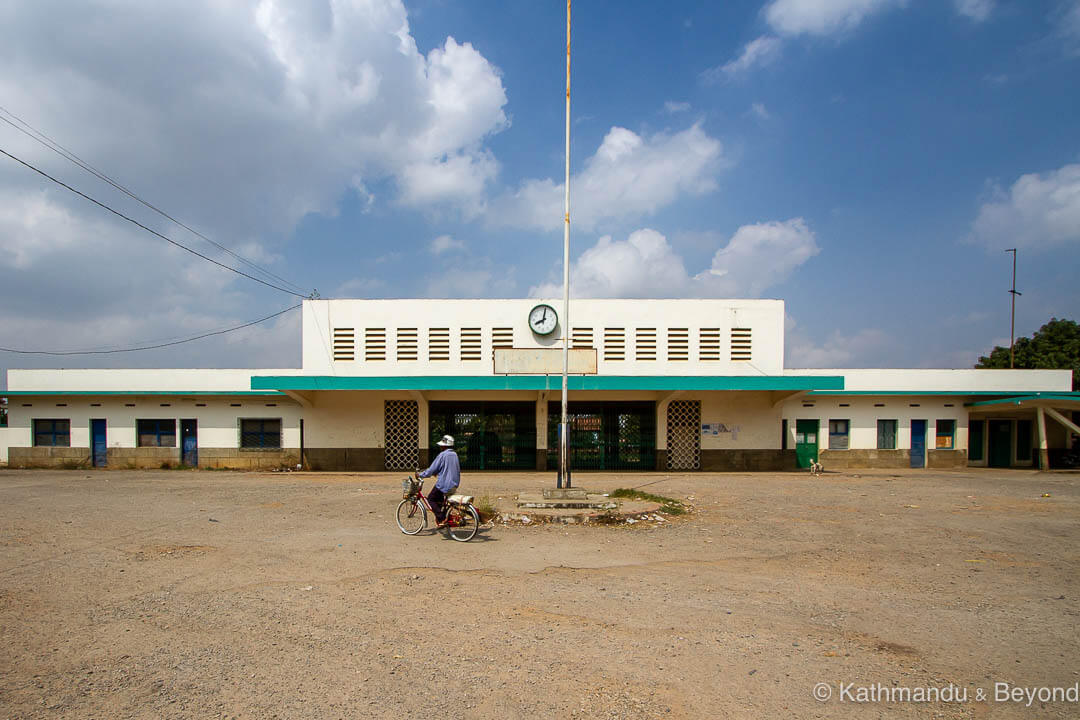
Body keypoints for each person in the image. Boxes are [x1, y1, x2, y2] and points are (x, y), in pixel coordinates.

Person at [418, 435, 461, 526]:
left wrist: (420, 475)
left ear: (445, 446)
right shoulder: (454, 454)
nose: (440, 447)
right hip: (454, 484)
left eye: (442, 445)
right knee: (440, 501)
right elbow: (447, 467)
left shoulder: (442, 455)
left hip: (444, 484)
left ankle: (441, 518)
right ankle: (444, 517)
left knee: (431, 499)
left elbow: (431, 470)